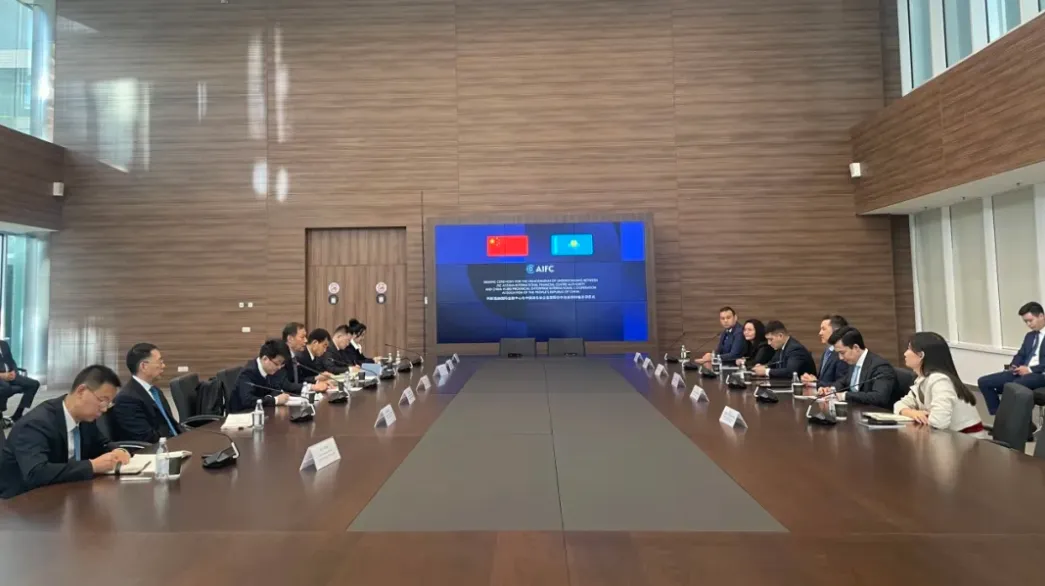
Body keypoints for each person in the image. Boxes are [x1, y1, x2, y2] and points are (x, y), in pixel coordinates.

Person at [0, 365, 131, 499]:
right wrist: (92, 466)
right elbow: (36, 473)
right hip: (22, 502)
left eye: (109, 404)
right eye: (103, 401)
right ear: (81, 391)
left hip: (66, 495)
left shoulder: (85, 418)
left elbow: (101, 444)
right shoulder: (36, 424)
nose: (104, 409)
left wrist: (118, 450)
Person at [895, 332, 986, 437]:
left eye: (909, 349)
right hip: (946, 438)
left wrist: (920, 415)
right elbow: (898, 405)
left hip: (966, 441)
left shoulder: (940, 381)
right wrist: (913, 413)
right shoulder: (922, 379)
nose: (905, 354)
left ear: (921, 355)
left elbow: (938, 423)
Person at [976, 302, 1045, 415]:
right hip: (1023, 372)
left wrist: (1030, 370)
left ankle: (1014, 420)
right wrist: (1014, 365)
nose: (1028, 324)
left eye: (1030, 320)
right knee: (984, 382)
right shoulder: (1030, 336)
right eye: (1025, 322)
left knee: (1012, 386)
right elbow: (1021, 354)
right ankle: (1000, 416)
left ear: (1041, 316)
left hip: (1041, 374)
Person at [110, 343, 179, 443]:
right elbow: (146, 438)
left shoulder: (155, 391)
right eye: (160, 362)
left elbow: (170, 423)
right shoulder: (127, 399)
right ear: (143, 366)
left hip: (174, 441)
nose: (163, 366)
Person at [818, 326, 900, 409]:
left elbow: (879, 397)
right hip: (856, 411)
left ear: (856, 348)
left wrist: (845, 396)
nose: (840, 358)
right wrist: (831, 390)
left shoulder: (880, 367)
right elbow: (844, 381)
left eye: (842, 353)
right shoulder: (853, 362)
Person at [229, 339, 294, 412]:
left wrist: (269, 398)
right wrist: (275, 400)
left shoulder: (270, 370)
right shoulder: (248, 373)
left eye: (281, 364)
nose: (279, 367)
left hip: (262, 411)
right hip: (242, 414)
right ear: (265, 359)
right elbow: (248, 401)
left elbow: (277, 389)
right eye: (277, 364)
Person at [275, 322, 328, 394]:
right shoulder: (280, 358)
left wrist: (317, 382)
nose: (306, 340)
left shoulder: (294, 357)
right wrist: (311, 387)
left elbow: (299, 380)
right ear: (290, 339)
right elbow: (286, 385)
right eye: (302, 337)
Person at [751, 321, 816, 379]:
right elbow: (773, 363)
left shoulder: (795, 349)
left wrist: (766, 371)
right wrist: (764, 366)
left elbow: (790, 372)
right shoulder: (781, 346)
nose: (769, 343)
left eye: (771, 339)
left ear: (780, 336)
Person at [0, 338, 41, 428]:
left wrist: (14, 372)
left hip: (10, 375)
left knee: (34, 384)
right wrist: (2, 375)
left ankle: (18, 415)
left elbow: (11, 361)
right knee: (5, 387)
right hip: (1, 377)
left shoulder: (4, 344)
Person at [801, 315, 850, 385]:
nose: (820, 333)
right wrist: (812, 380)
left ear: (836, 331)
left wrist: (816, 382)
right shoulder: (827, 351)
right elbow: (824, 380)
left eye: (823, 329)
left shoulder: (842, 354)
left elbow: (841, 384)